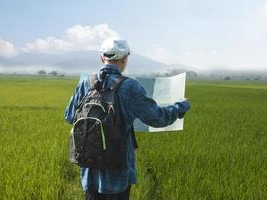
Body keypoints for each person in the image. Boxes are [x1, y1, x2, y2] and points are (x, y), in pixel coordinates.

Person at [64, 36, 190, 200]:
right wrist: (181, 107)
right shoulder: (130, 86)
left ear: (102, 58)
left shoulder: (86, 83)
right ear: (124, 59)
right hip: (117, 175)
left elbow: (69, 116)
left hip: (90, 172)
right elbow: (158, 118)